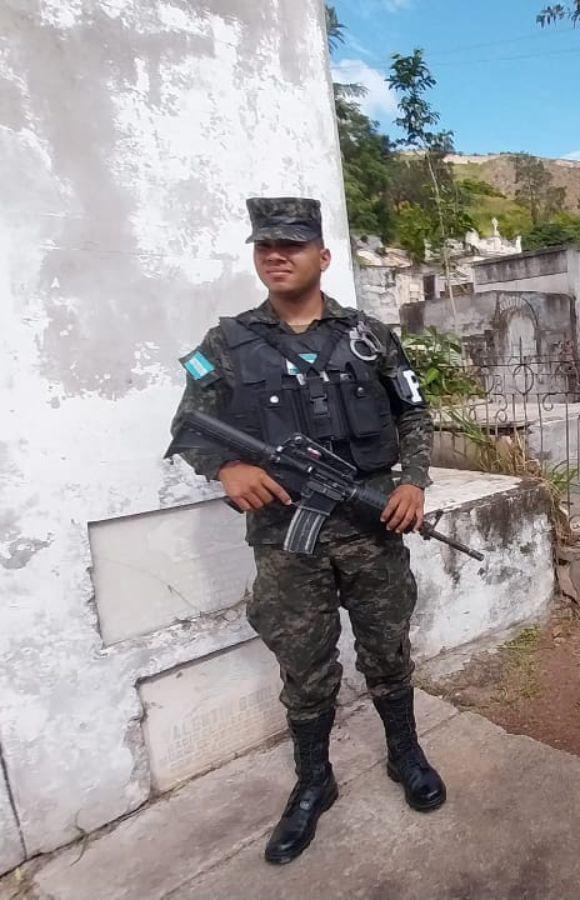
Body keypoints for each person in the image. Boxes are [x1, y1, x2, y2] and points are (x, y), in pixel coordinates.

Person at [166, 197, 445, 864]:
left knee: (386, 647)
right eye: (265, 245)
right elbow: (187, 427)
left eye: (291, 245)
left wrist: (414, 479)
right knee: (305, 664)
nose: (276, 255)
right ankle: (315, 782)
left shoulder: (369, 335)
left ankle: (404, 754)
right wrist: (228, 465)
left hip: (370, 524)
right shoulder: (226, 344)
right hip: (285, 539)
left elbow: (414, 413)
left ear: (322, 257)